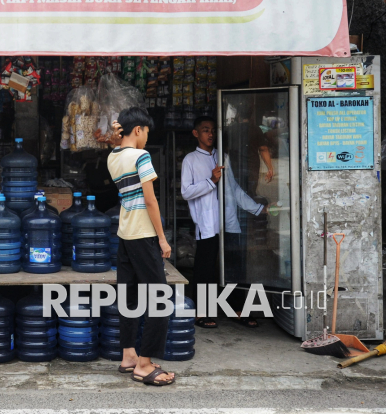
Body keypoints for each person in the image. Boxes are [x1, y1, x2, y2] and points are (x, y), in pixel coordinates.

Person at [106, 107, 175, 386]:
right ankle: (144, 365)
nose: (147, 138)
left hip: (125, 236)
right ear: (138, 130)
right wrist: (162, 237)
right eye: (146, 132)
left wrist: (113, 137)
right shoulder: (141, 156)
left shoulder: (113, 157)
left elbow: (115, 147)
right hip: (144, 236)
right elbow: (150, 200)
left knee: (129, 299)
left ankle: (129, 356)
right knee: (160, 300)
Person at [181, 116, 267, 329]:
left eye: (212, 130)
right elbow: (186, 192)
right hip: (207, 223)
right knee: (205, 269)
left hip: (228, 221)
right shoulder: (190, 160)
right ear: (196, 133)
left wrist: (257, 208)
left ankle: (236, 309)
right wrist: (211, 181)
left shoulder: (223, 157)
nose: (210, 134)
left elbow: (235, 190)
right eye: (205, 130)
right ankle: (202, 312)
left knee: (234, 268)